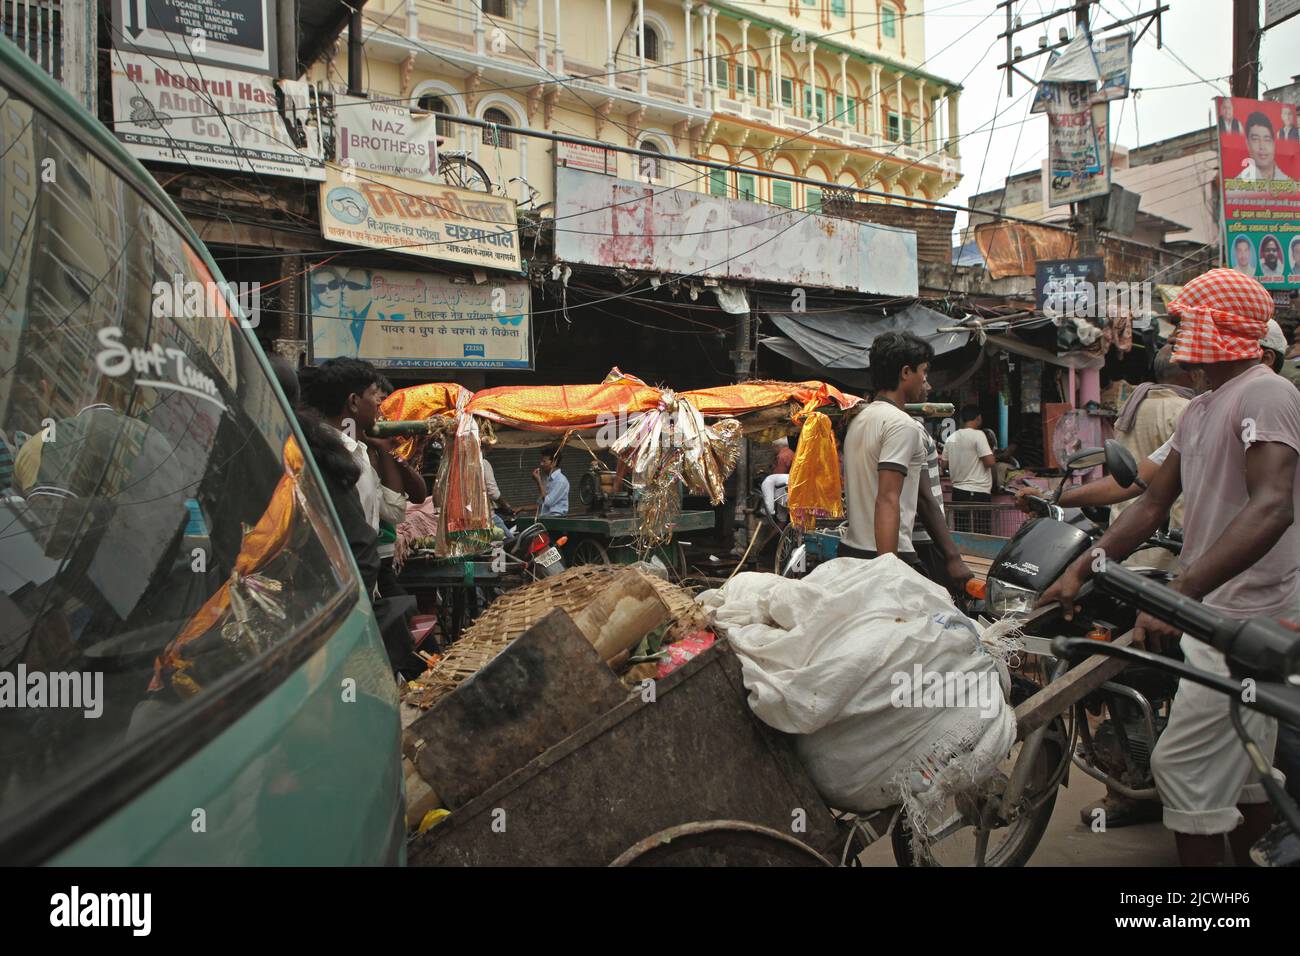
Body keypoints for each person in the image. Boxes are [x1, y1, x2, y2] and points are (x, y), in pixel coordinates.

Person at [1041, 269, 1300, 867]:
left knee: (1180, 766)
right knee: (1245, 772)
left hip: (1248, 620)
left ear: (1218, 328)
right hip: (1220, 612)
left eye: (1187, 321)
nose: (1177, 332)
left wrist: (1179, 595)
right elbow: (1151, 504)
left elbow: (1272, 506)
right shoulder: (1200, 408)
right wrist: (1084, 568)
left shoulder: (1265, 392)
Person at [840, 331, 973, 589]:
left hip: (852, 549)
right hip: (885, 555)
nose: (926, 380)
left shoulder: (859, 419)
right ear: (905, 373)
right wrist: (888, 570)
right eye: (923, 371)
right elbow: (888, 498)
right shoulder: (902, 425)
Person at [297, 358, 427, 539]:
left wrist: (386, 449)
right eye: (374, 395)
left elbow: (394, 512)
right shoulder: (321, 454)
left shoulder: (359, 452)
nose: (379, 404)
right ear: (354, 402)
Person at [943, 404, 995, 534]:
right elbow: (989, 462)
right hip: (978, 492)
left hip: (958, 493)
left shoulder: (952, 437)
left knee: (963, 532)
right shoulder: (978, 435)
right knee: (981, 533)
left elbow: (943, 464)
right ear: (978, 418)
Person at [1237, 112, 1292, 181]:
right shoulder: (1236, 186)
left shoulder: (1290, 184)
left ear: (1274, 144)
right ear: (1247, 144)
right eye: (1255, 139)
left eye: (1267, 139)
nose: (1262, 146)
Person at [761, 436, 794, 519]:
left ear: (778, 446)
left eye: (773, 446)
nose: (773, 449)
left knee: (769, 481)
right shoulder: (791, 452)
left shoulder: (782, 456)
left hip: (789, 482)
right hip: (793, 480)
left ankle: (769, 509)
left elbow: (779, 472)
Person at [534, 446, 569, 517]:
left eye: (544, 461)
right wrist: (522, 508)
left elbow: (548, 502)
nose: (541, 464)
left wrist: (538, 481)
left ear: (554, 462)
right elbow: (540, 503)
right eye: (541, 461)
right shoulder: (546, 478)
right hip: (544, 518)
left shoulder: (561, 480)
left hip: (555, 520)